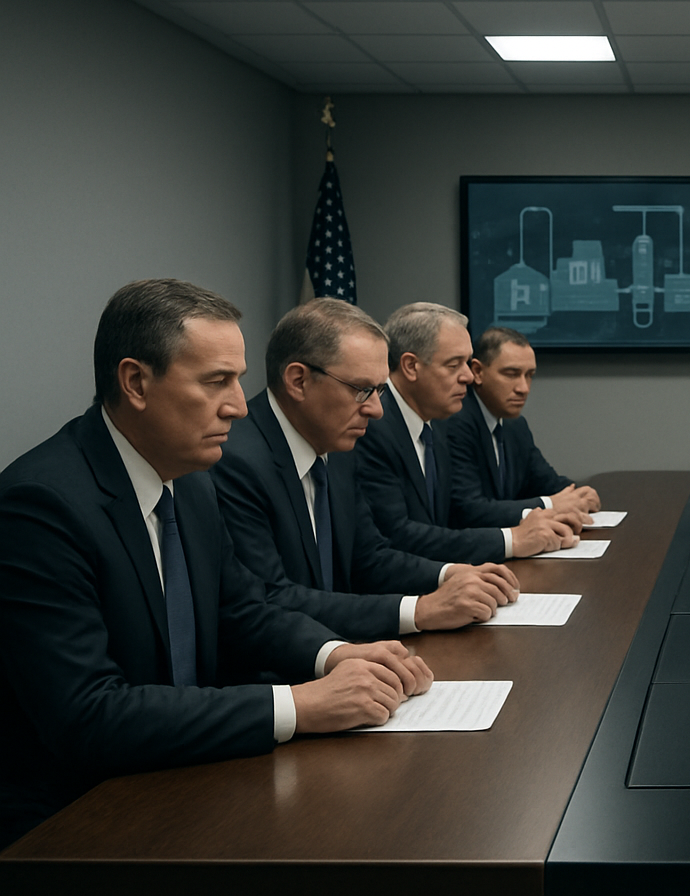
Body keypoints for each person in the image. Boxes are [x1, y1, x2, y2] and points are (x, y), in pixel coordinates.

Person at [0, 280, 433, 849]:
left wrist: (336, 654)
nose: (237, 404)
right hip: (75, 818)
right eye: (216, 381)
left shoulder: (192, 480)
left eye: (237, 378)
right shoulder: (42, 505)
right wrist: (298, 704)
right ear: (135, 382)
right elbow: (89, 715)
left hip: (182, 776)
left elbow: (245, 609)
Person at [212, 299, 521, 641]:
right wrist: (418, 611)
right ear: (298, 381)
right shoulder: (235, 461)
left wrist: (450, 574)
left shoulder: (338, 443)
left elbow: (368, 557)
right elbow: (272, 597)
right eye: (362, 390)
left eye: (380, 391)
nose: (376, 410)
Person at [354, 302, 576, 563]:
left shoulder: (436, 422)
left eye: (467, 363)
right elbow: (396, 536)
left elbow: (449, 519)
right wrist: (511, 539)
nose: (469, 377)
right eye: (454, 365)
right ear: (411, 366)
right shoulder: (372, 425)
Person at [443, 326, 600, 532]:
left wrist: (579, 494)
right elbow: (468, 510)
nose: (523, 388)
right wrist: (549, 505)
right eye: (511, 374)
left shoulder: (515, 425)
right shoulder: (455, 422)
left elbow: (546, 482)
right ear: (478, 372)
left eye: (529, 375)